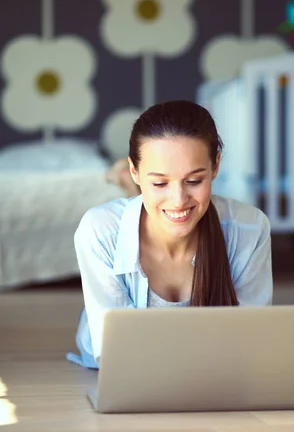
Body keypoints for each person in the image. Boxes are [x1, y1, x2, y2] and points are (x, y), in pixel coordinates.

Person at [67, 100, 273, 369]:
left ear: (215, 166)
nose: (178, 199)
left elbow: (251, 340)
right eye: (160, 182)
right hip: (135, 363)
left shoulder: (249, 228)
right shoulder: (100, 230)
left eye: (194, 181)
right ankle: (133, 190)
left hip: (200, 371)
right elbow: (114, 350)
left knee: (168, 211)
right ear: (135, 170)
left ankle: (138, 191)